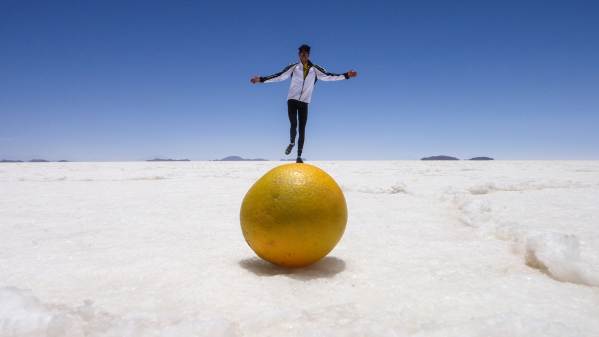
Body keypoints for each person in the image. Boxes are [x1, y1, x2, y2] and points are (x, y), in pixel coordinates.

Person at [250, 44, 357, 163]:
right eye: (302, 53)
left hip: (304, 102)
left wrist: (346, 75)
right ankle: (291, 142)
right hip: (292, 100)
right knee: (293, 124)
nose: (304, 55)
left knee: (302, 129)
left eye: (306, 53)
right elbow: (279, 76)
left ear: (309, 55)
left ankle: (299, 156)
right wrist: (261, 79)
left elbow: (329, 76)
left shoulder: (315, 69)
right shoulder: (293, 67)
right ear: (299, 55)